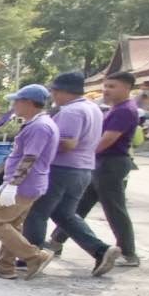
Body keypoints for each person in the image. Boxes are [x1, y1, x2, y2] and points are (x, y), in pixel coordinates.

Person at [25, 72, 120, 276]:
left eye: (55, 92)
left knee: (37, 212)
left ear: (62, 91)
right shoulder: (93, 108)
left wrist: (40, 143)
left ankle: (32, 256)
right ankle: (100, 250)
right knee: (64, 214)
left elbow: (68, 143)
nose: (53, 96)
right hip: (83, 169)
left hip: (62, 169)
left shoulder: (71, 111)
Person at [50, 71, 140, 268]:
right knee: (78, 206)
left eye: (112, 86)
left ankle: (128, 252)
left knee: (114, 208)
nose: (106, 90)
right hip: (101, 163)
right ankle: (56, 241)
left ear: (127, 88)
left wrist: (86, 156)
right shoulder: (113, 109)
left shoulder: (124, 110)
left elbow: (108, 139)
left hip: (111, 163)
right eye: (105, 86)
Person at [0, 85, 59, 280]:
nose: (14, 105)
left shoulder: (39, 127)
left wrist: (13, 184)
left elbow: (29, 158)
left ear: (28, 103)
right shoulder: (39, 123)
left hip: (24, 184)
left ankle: (35, 256)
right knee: (12, 224)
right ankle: (4, 266)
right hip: (30, 183)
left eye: (17, 101)